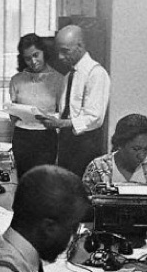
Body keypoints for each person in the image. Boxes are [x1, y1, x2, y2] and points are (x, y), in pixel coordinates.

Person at [36, 25, 110, 177]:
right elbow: (69, 112)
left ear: (80, 46)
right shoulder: (69, 75)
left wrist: (61, 123)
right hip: (66, 144)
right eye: (59, 52)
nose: (61, 57)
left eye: (65, 51)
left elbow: (94, 118)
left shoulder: (96, 74)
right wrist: (50, 118)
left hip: (85, 145)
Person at [9, 33, 64, 178]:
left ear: (44, 52)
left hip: (46, 137)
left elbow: (62, 113)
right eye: (27, 58)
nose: (33, 61)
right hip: (22, 137)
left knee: (44, 181)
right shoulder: (16, 80)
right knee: (23, 179)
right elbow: (13, 115)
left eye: (36, 55)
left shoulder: (59, 79)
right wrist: (13, 112)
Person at [82, 113, 147, 196]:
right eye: (136, 149)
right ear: (120, 145)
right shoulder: (98, 168)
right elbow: (85, 205)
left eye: (146, 149)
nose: (142, 156)